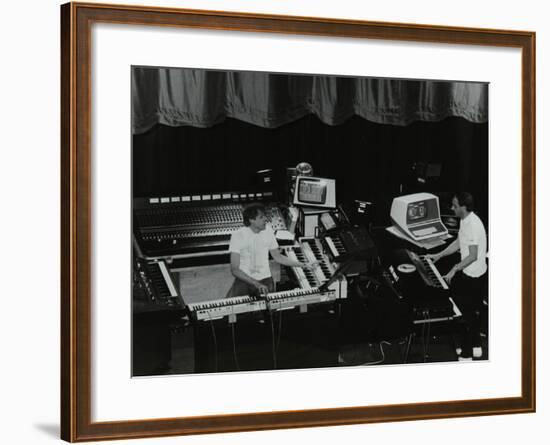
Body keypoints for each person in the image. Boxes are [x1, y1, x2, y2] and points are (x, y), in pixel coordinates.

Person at [427, 192, 487, 361]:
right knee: (472, 312)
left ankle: (467, 355)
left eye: (454, 205)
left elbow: (473, 255)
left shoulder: (473, 225)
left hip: (474, 276)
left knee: (466, 313)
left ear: (463, 207)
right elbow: (459, 242)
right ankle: (476, 346)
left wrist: (454, 269)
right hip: (472, 274)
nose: (452, 208)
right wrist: (439, 255)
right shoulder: (466, 220)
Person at [226, 203, 317, 298]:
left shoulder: (268, 231)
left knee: (271, 308)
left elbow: (278, 257)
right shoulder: (237, 235)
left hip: (265, 279)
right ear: (251, 220)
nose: (266, 219)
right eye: (261, 217)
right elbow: (235, 269)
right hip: (245, 279)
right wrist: (256, 284)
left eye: (265, 216)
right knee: (230, 307)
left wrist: (304, 264)